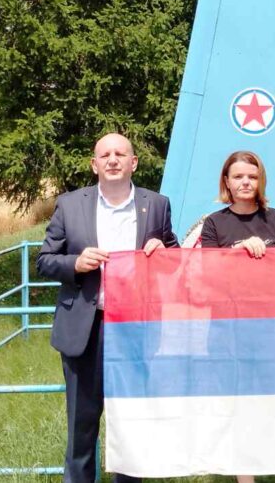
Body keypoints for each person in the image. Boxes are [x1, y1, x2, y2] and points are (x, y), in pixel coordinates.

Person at [36, 133, 179, 483]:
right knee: (81, 427)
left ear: (134, 163)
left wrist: (164, 253)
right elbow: (44, 260)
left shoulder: (157, 204)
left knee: (131, 426)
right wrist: (75, 263)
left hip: (135, 329)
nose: (113, 160)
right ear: (94, 164)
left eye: (120, 154)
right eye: (105, 155)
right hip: (85, 330)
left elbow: (174, 259)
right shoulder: (70, 204)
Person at [198, 151, 275, 483]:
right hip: (228, 330)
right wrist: (236, 252)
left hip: (274, 327)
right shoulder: (214, 224)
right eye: (238, 176)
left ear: (261, 181)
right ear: (226, 182)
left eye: (252, 177)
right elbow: (207, 276)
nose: (245, 182)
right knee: (239, 407)